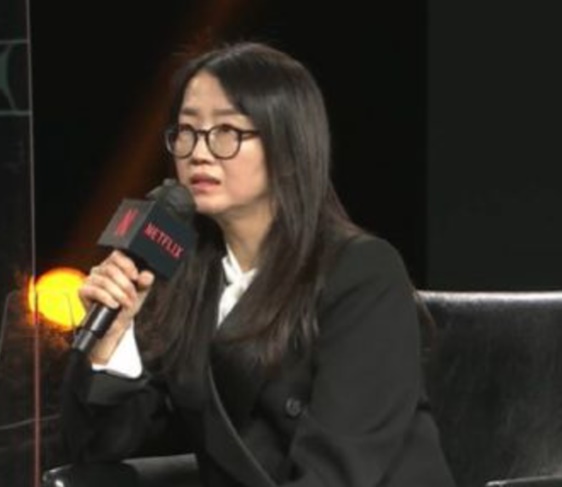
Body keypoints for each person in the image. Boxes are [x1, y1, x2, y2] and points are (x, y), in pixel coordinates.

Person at [61, 41, 456, 487]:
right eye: (187, 130)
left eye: (227, 131)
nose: (199, 152)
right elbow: (99, 450)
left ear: (287, 146)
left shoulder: (361, 272)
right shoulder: (183, 270)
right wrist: (112, 346)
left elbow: (336, 473)